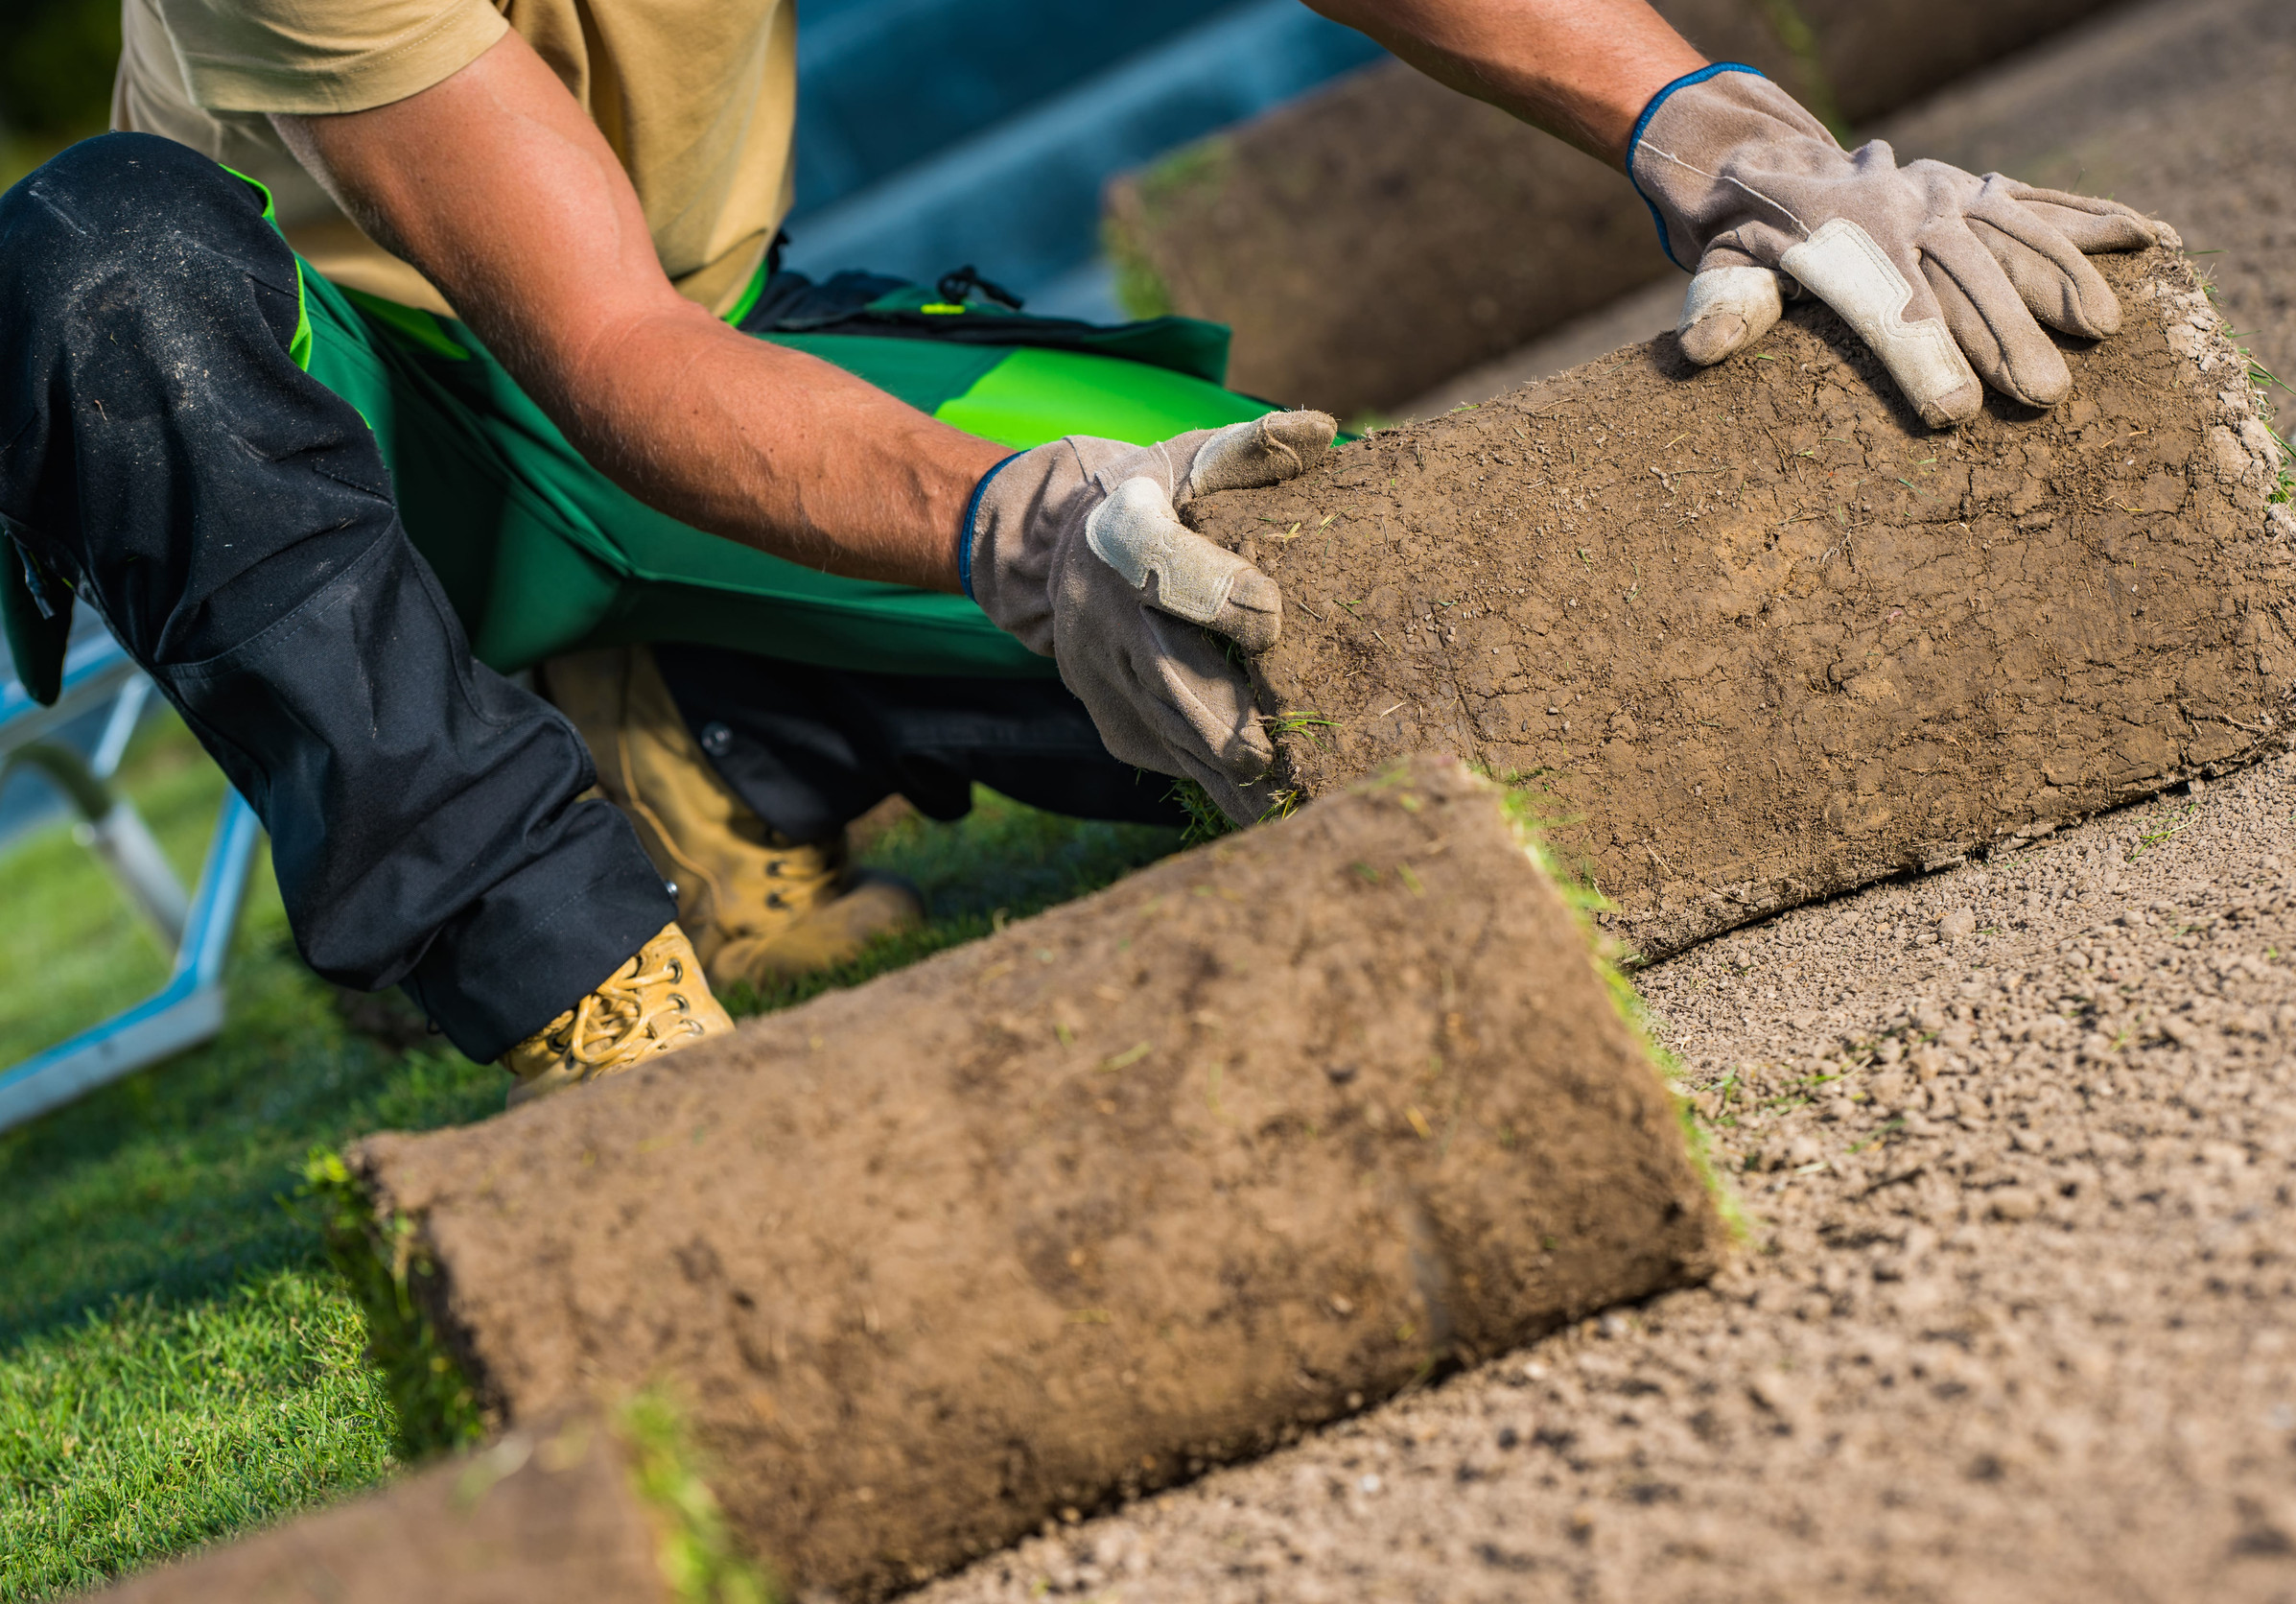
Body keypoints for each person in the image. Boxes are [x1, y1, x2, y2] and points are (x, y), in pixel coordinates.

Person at [0, 0, 2158, 1102]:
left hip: (727, 358)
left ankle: (706, 737)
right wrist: (1013, 530)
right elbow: (597, 348)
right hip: (387, 449)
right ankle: (567, 970)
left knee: (1409, 616)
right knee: (95, 266)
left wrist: (1708, 125)